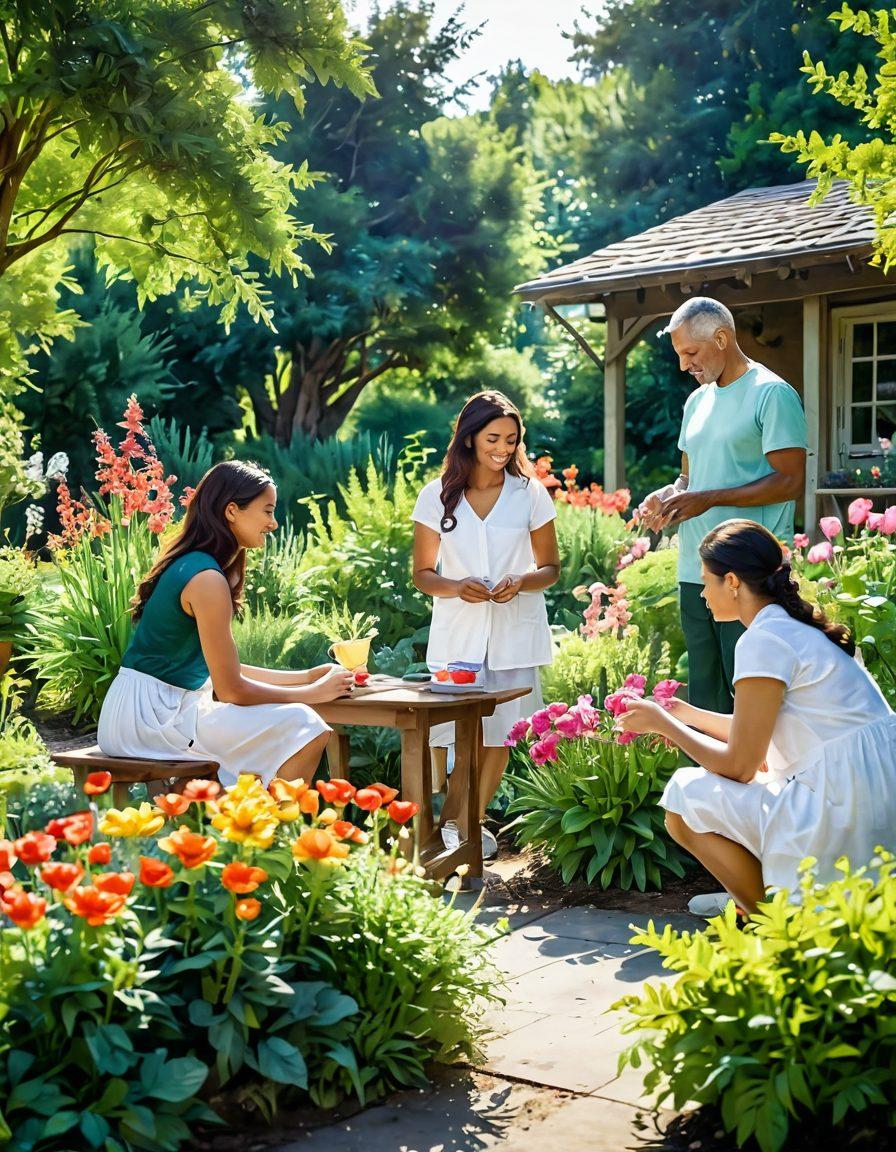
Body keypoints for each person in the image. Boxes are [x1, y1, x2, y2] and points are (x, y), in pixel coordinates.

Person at [617, 519, 896, 915]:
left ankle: (770, 921)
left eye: (705, 583)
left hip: (841, 801)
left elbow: (740, 765)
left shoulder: (762, 640)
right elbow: (762, 729)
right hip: (872, 788)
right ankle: (756, 889)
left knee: (683, 796)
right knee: (750, 780)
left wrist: (665, 726)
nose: (702, 595)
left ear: (732, 581)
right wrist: (688, 715)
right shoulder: (792, 627)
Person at [98, 461, 354, 787]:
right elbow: (231, 689)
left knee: (292, 725)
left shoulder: (198, 566)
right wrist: (311, 693)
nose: (273, 524)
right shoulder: (206, 578)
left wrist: (304, 677)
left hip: (158, 709)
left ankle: (249, 824)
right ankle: (265, 830)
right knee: (304, 725)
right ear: (232, 511)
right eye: (267, 511)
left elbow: (225, 670)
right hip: (152, 718)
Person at [638, 297, 808, 715]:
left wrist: (709, 497)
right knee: (705, 694)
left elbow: (790, 481)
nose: (684, 366)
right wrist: (665, 496)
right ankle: (708, 780)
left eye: (690, 354)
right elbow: (689, 479)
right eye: (679, 355)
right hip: (696, 569)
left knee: (751, 689)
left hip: (749, 570)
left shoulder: (772, 393)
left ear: (721, 337)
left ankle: (763, 777)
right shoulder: (696, 402)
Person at [411, 390, 560, 857]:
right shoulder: (436, 496)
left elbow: (551, 567)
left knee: (500, 734)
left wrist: (522, 580)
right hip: (458, 632)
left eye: (512, 440)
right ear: (469, 437)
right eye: (493, 437)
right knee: (459, 733)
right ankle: (458, 828)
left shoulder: (529, 493)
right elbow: (422, 574)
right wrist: (456, 587)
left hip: (516, 631)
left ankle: (461, 827)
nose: (503, 448)